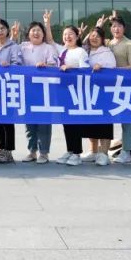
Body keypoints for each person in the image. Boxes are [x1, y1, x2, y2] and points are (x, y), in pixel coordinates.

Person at [18, 20, 59, 163]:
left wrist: (45, 65)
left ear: (43, 34)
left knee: (44, 122)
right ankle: (32, 151)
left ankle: (44, 153)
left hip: (44, 90)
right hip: (27, 89)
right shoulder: (23, 47)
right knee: (29, 122)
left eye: (39, 30)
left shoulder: (48, 48)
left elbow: (54, 66)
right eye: (33, 30)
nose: (36, 33)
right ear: (28, 34)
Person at [104, 14, 131, 163]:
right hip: (108, 87)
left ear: (124, 28)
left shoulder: (130, 44)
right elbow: (88, 43)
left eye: (119, 26)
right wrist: (99, 26)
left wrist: (115, 71)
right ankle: (102, 151)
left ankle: (127, 151)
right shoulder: (107, 43)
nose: (116, 29)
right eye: (113, 26)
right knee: (106, 119)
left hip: (125, 86)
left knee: (126, 120)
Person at [55, 24, 91, 166]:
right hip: (62, 91)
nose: (67, 37)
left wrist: (71, 68)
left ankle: (77, 153)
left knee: (75, 122)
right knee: (66, 122)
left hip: (76, 91)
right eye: (65, 34)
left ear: (77, 36)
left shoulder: (80, 51)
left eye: (70, 34)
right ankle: (70, 150)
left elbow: (85, 69)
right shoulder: (62, 51)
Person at [81, 25, 115, 166]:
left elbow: (112, 66)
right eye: (92, 36)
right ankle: (93, 151)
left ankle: (104, 153)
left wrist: (101, 66)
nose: (94, 38)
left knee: (104, 123)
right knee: (91, 122)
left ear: (102, 39)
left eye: (97, 36)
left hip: (103, 93)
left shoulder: (106, 52)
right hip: (89, 92)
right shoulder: (86, 51)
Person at [0, 18, 23, 163]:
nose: (0, 31)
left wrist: (9, 66)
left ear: (7, 30)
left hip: (9, 86)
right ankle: (1, 148)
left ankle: (8, 150)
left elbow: (19, 64)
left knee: (8, 119)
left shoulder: (14, 46)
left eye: (2, 28)